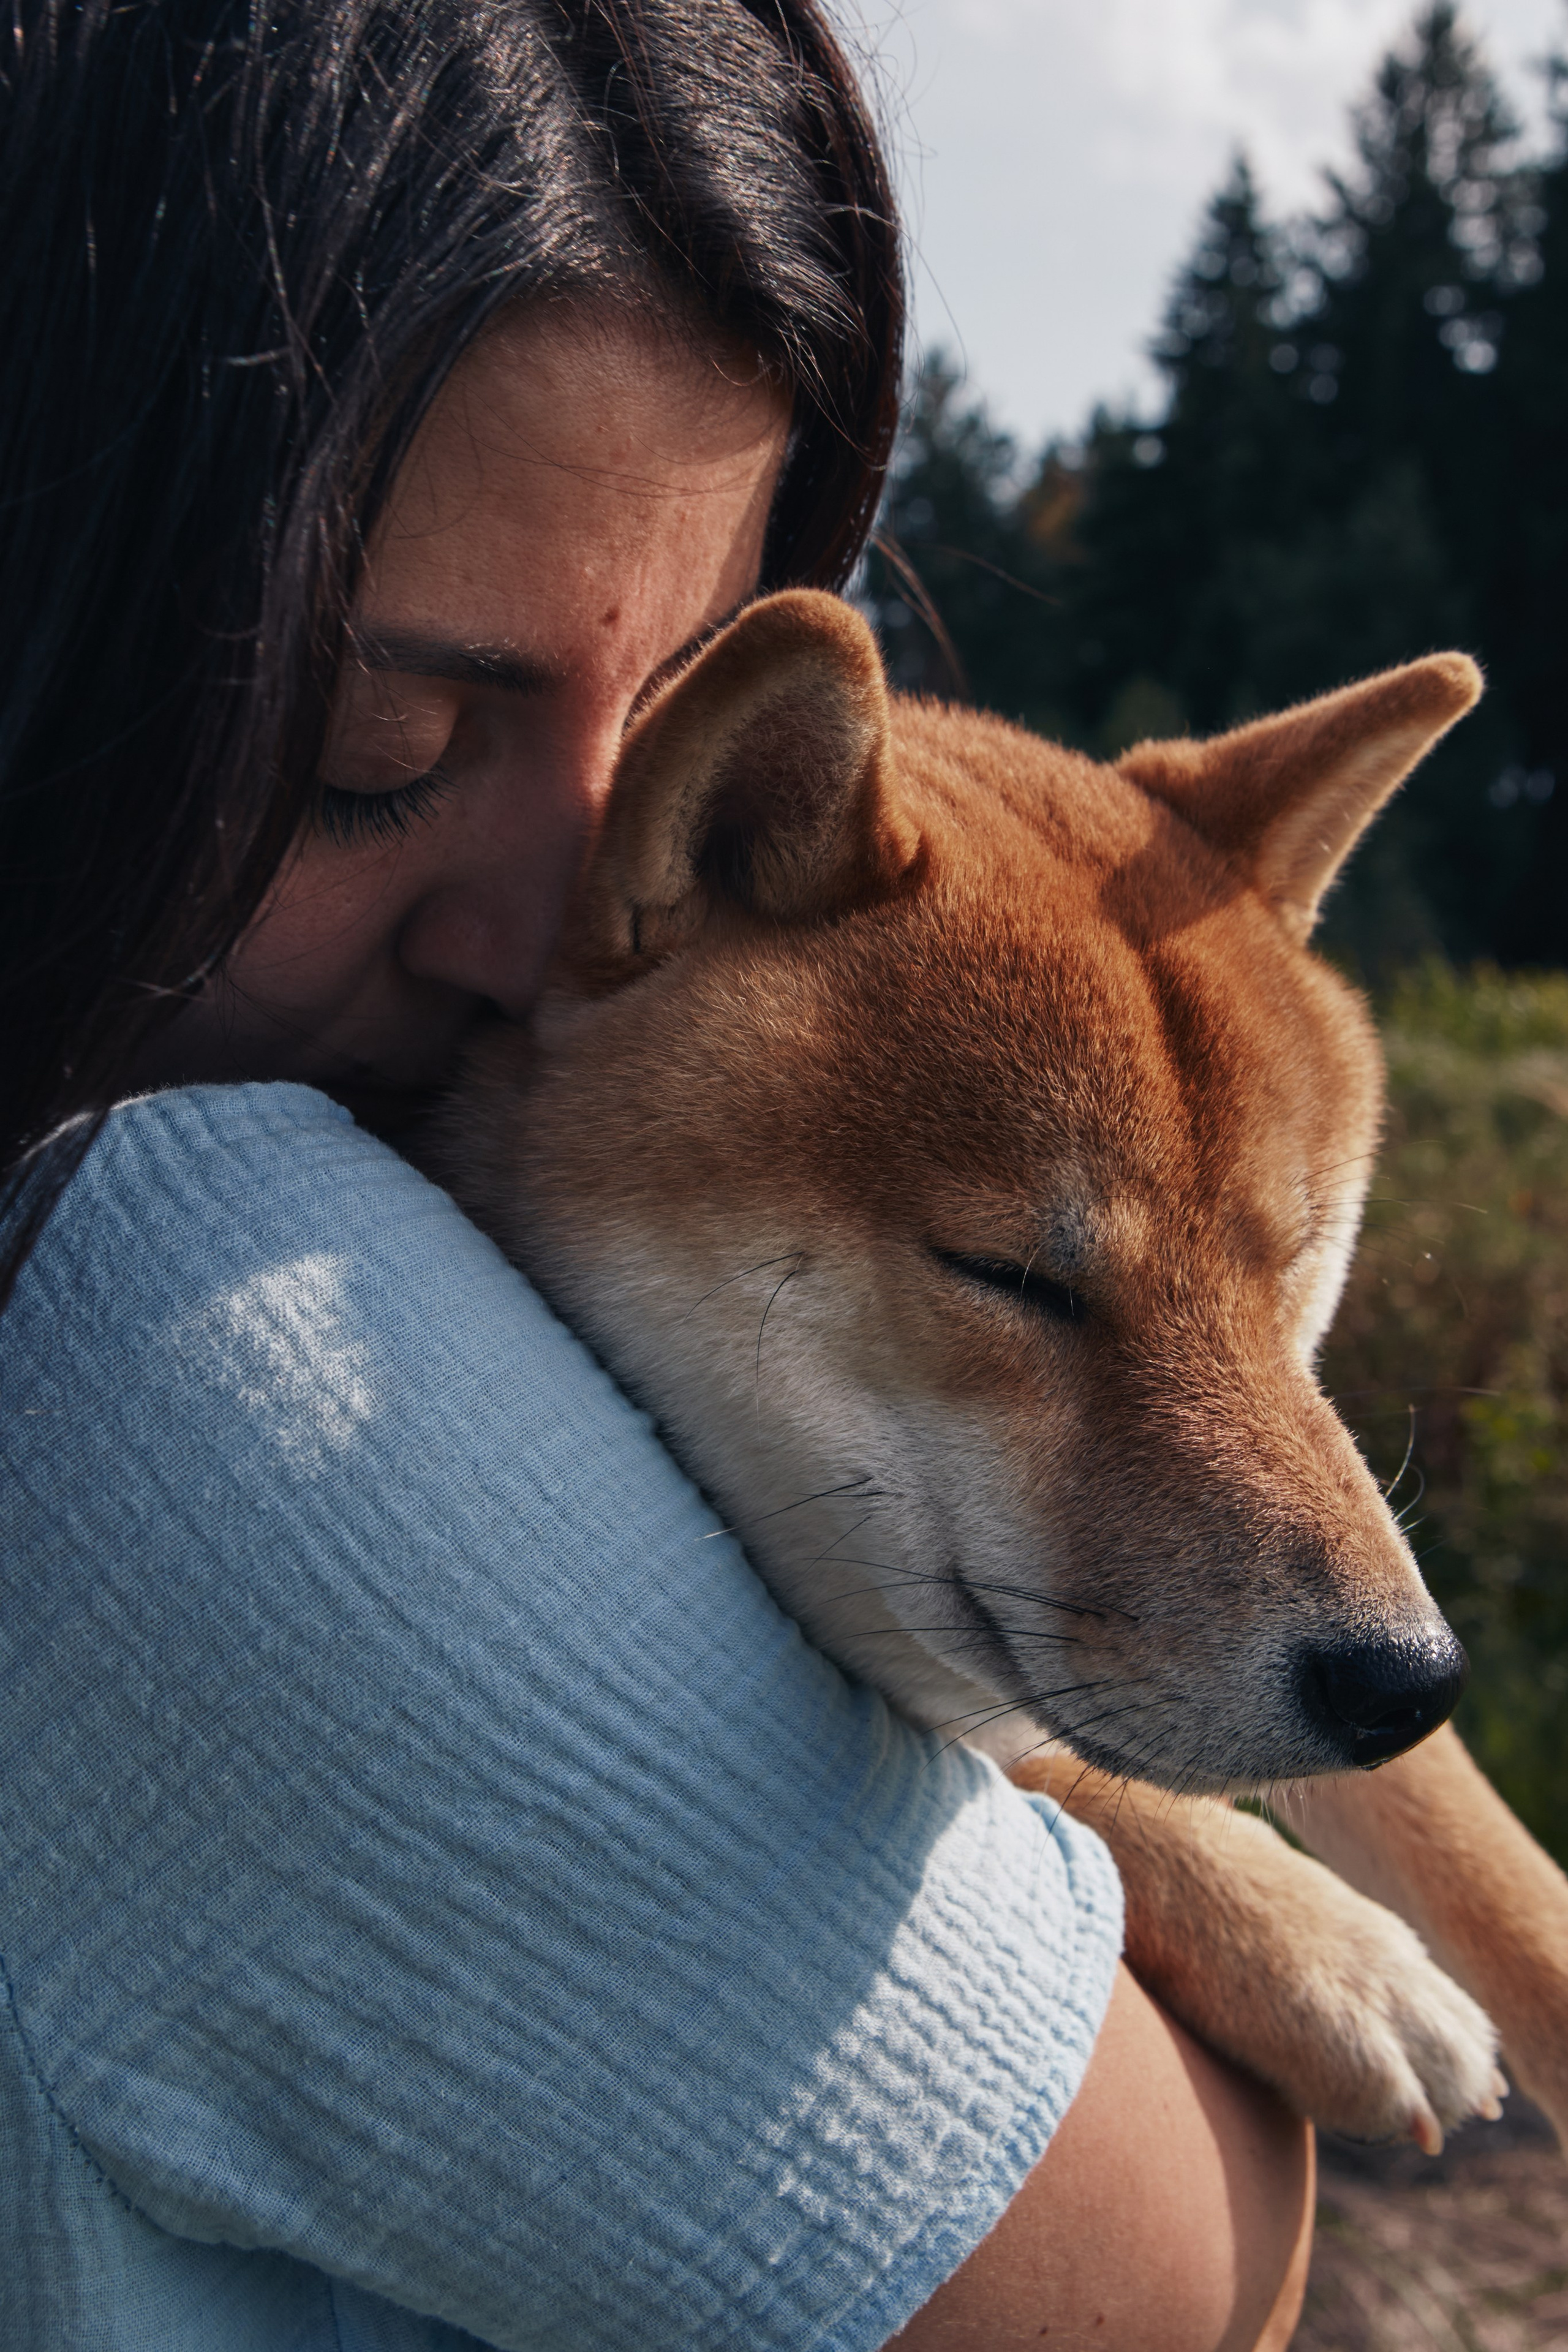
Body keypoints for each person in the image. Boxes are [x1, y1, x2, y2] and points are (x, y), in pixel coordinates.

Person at [0, 2, 1313, 2344]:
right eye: (377, 755)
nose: (594, 941)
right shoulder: (203, 1342)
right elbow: (1153, 2288)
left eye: (708, 735)